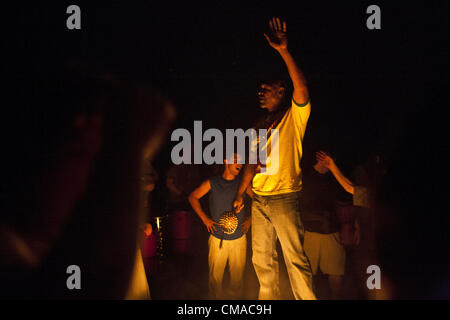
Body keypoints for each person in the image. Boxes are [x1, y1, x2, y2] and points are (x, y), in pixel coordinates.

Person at [233, 17, 316, 300]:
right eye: (259, 89)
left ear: (281, 91)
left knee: (294, 260)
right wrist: (241, 193)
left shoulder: (293, 117)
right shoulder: (259, 124)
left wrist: (283, 51)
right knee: (261, 261)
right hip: (259, 199)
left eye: (266, 88)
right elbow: (251, 165)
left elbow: (302, 88)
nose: (260, 92)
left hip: (284, 197)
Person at [188, 154, 251, 299]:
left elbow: (261, 200)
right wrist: (205, 219)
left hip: (239, 239)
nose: (239, 164)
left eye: (241, 161)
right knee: (215, 280)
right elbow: (193, 197)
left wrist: (250, 219)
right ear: (226, 161)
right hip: (217, 239)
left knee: (237, 280)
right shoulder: (213, 182)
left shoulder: (243, 184)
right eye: (235, 160)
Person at [300, 151, 347, 299]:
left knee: (336, 271)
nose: (330, 163)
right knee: (307, 272)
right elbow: (298, 208)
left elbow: (344, 200)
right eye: (327, 159)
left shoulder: (335, 177)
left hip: (332, 233)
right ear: (320, 158)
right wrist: (319, 219)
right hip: (311, 233)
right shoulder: (306, 178)